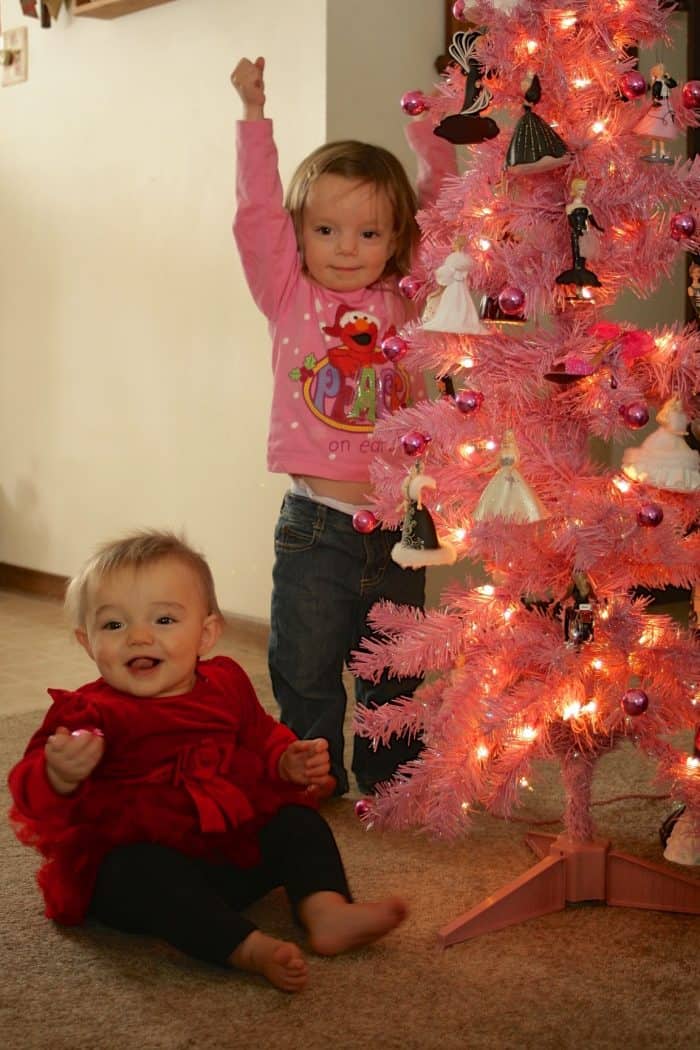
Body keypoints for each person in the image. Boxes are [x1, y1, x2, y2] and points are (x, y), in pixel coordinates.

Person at [7, 531, 407, 993]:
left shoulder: (226, 683)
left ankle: (326, 910)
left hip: (227, 848)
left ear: (207, 633)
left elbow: (261, 735)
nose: (138, 636)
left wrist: (284, 761)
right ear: (86, 641)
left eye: (163, 619)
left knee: (299, 823)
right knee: (133, 873)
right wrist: (57, 773)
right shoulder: (89, 713)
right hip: (147, 865)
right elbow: (26, 787)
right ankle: (245, 947)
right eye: (114, 625)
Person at [231, 56, 455, 798]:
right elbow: (256, 216)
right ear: (299, 234)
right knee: (304, 663)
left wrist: (429, 127)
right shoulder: (287, 293)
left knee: (395, 663)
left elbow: (442, 210)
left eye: (367, 233)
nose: (346, 246)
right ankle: (311, 773)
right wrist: (255, 119)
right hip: (316, 526)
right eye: (325, 228)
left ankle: (390, 779)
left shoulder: (404, 300)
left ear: (395, 242)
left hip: (398, 527)